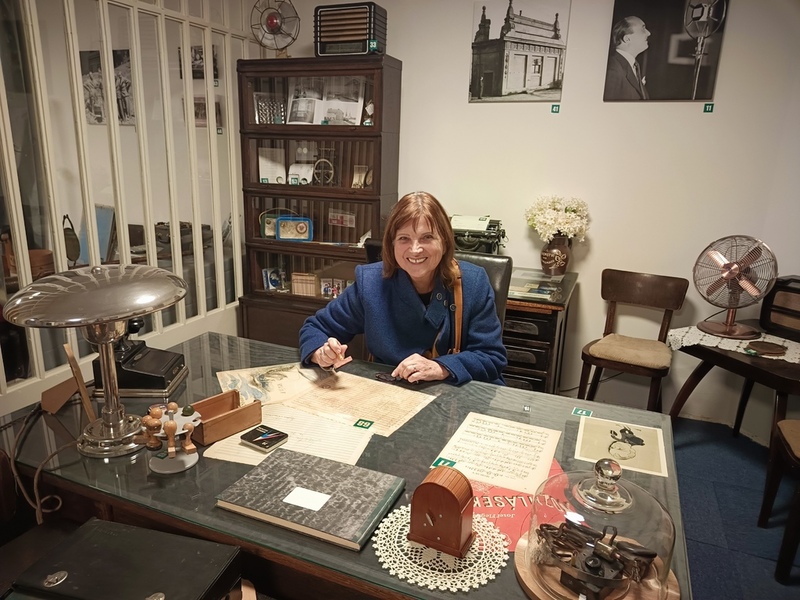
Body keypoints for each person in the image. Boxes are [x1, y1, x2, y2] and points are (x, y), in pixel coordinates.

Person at [299, 191, 507, 385]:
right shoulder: (370, 282)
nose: (415, 250)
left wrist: (441, 367)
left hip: (453, 393)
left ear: (444, 241)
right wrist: (321, 353)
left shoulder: (473, 282)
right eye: (404, 238)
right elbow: (316, 328)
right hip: (391, 392)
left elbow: (491, 357)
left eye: (427, 237)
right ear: (392, 244)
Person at [603, 16, 651, 101]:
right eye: (643, 29)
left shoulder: (633, 66)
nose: (648, 33)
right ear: (627, 39)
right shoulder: (612, 69)